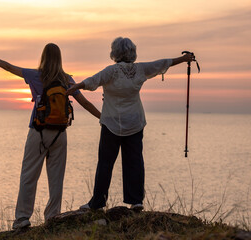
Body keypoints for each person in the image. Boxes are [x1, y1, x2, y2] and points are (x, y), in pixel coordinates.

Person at [0, 42, 101, 229]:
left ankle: (22, 218)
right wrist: (104, 118)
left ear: (43, 57)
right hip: (60, 134)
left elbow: (9, 68)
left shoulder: (36, 75)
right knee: (56, 178)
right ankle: (52, 216)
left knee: (29, 175)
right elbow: (84, 103)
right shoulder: (67, 79)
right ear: (60, 59)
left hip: (38, 132)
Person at [66, 37, 195, 211]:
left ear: (114, 53)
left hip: (112, 123)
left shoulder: (111, 71)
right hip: (134, 122)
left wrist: (75, 87)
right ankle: (136, 201)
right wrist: (184, 59)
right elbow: (163, 63)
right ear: (132, 52)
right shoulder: (140, 69)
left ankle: (97, 202)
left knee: (105, 163)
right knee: (134, 161)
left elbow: (92, 81)